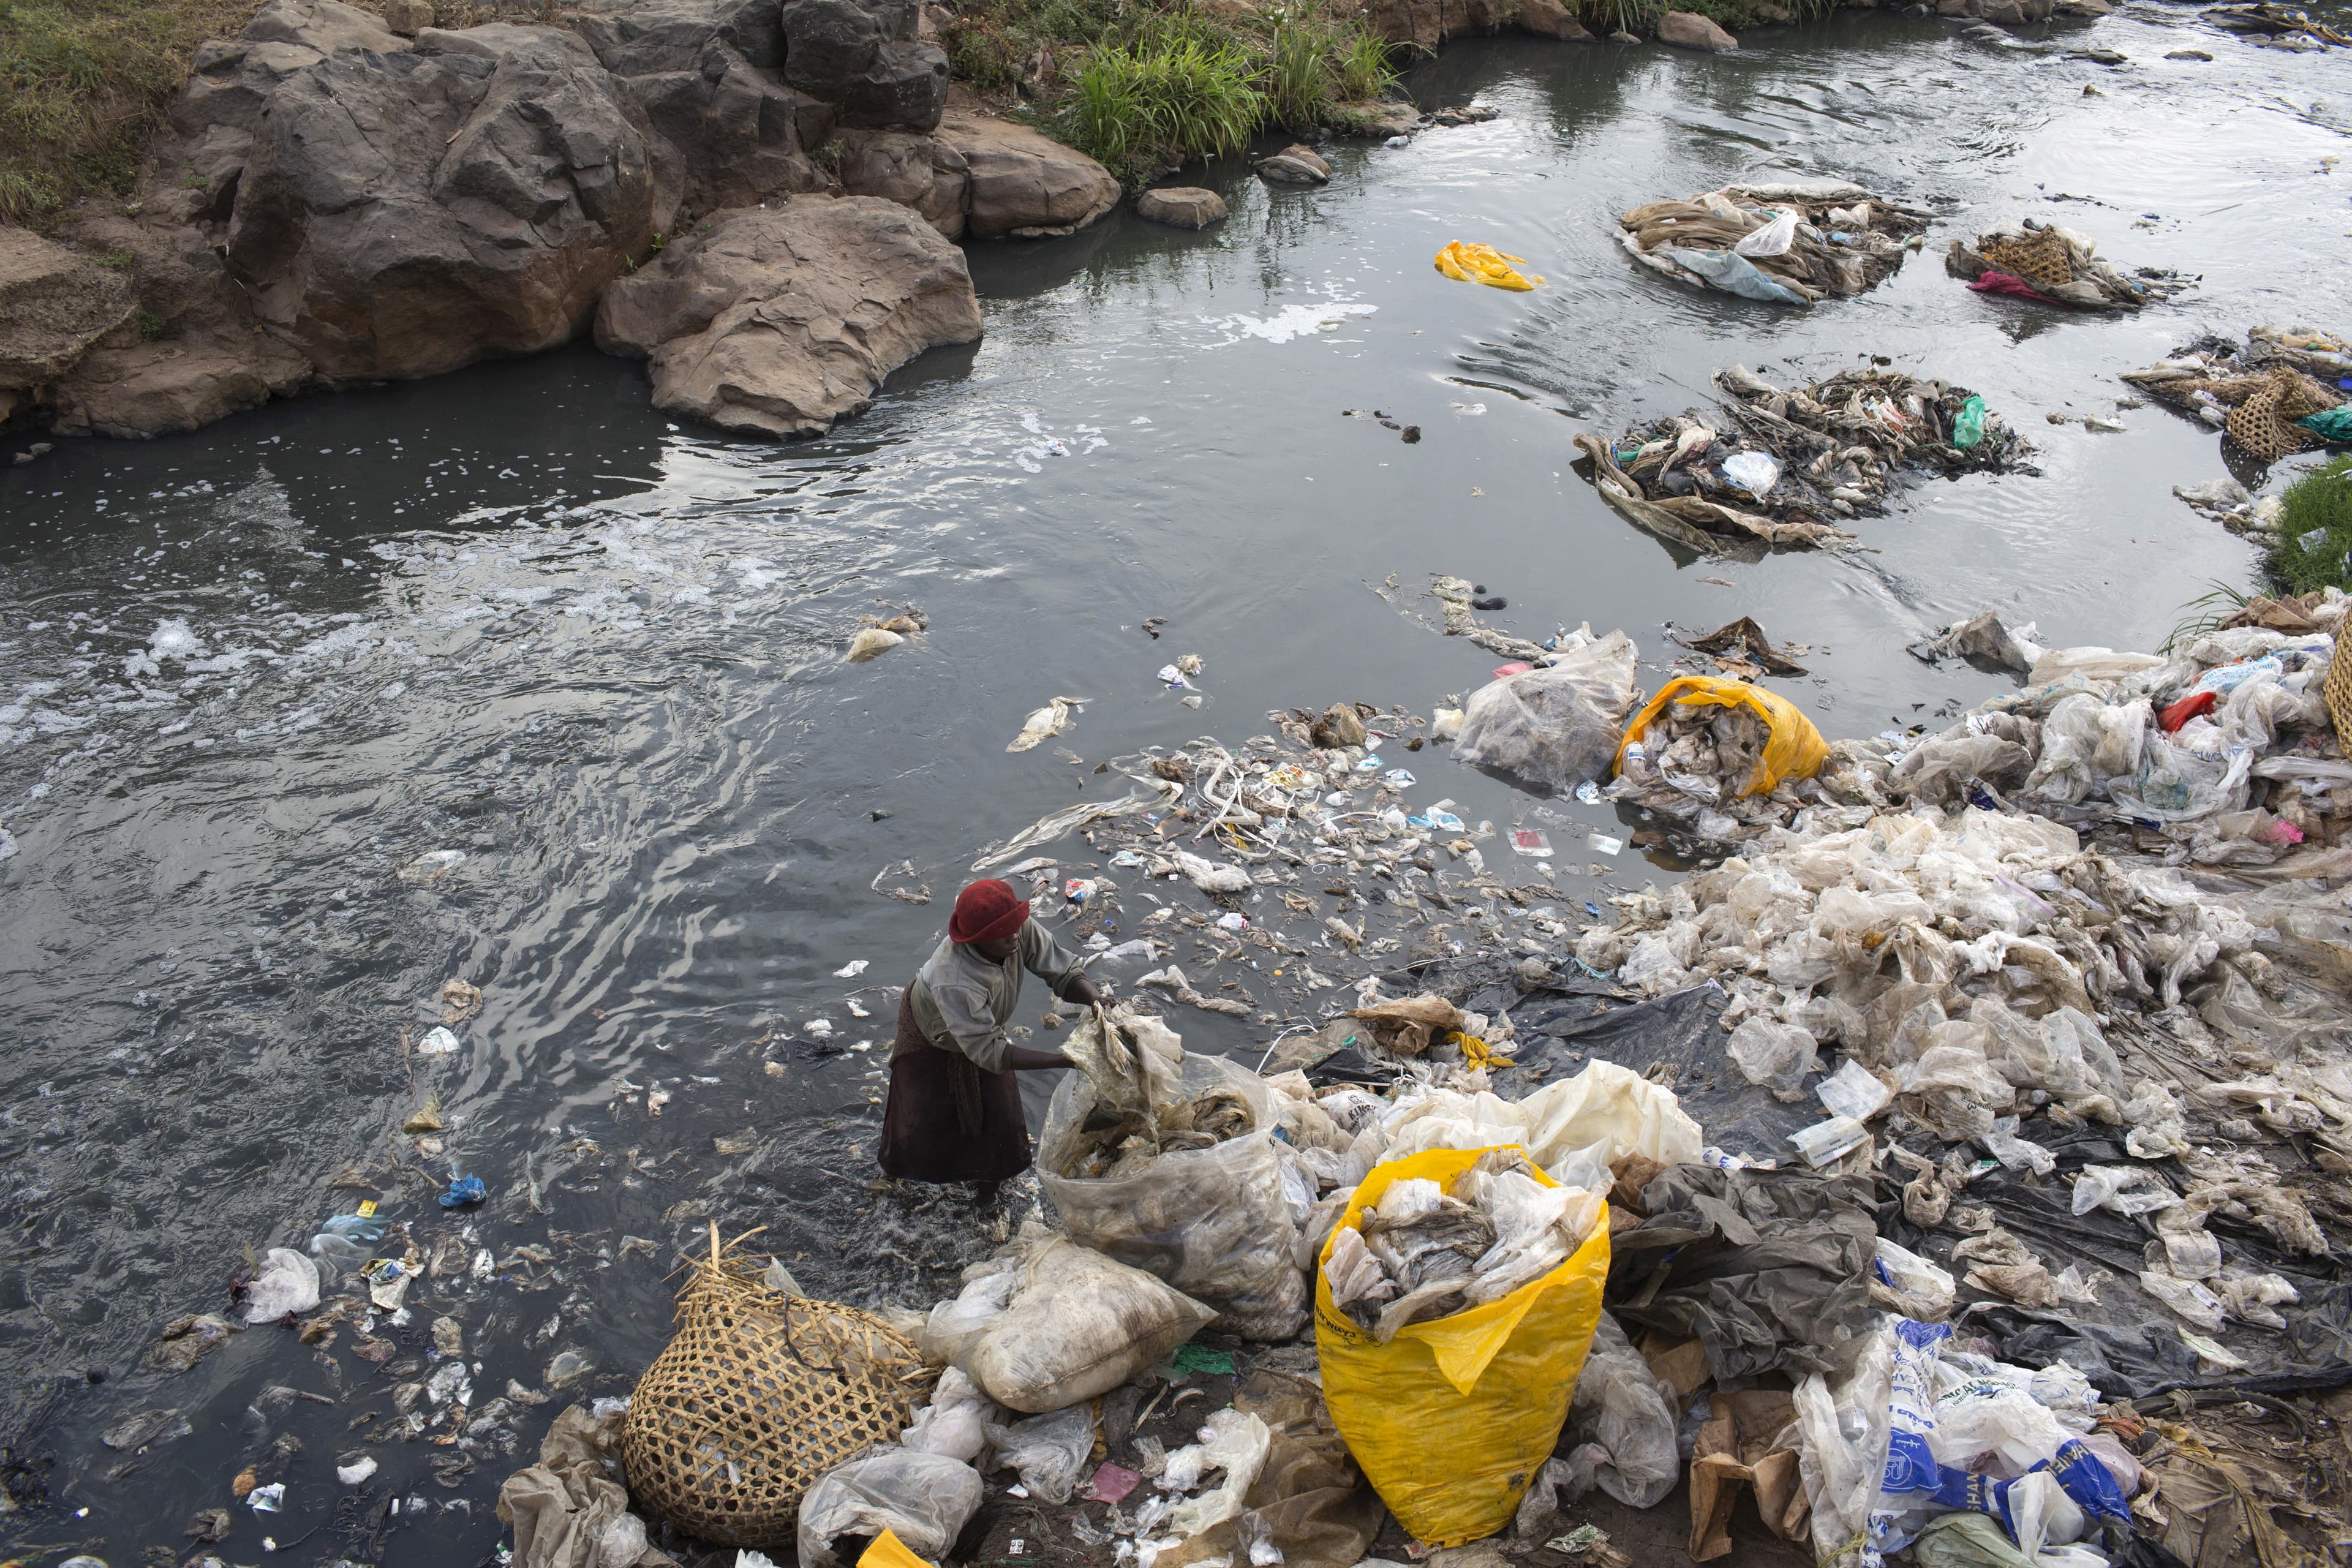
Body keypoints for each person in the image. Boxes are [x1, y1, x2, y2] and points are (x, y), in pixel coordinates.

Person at [878, 877, 1106, 1185]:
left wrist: (1095, 1000)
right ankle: (897, 1184)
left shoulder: (1015, 929)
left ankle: (989, 1187)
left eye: (1015, 927)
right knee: (920, 1124)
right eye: (1002, 935)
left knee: (1000, 1119)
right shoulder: (954, 978)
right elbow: (992, 1052)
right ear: (977, 939)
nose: (1014, 937)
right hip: (931, 1036)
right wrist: (1066, 1059)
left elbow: (1061, 972)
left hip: (983, 1029)